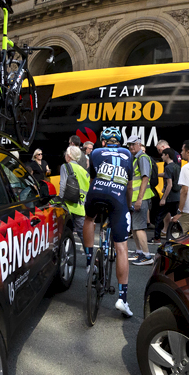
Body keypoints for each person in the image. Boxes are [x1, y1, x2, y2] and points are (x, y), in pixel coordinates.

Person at [82, 127, 133, 317]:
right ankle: (123, 299)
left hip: (96, 194)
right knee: (121, 248)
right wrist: (128, 206)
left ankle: (89, 261)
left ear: (103, 142)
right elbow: (128, 186)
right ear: (119, 142)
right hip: (117, 199)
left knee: (89, 219)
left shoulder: (95, 152)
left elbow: (93, 179)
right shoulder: (128, 153)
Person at [125, 135, 155, 266]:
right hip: (135, 198)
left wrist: (139, 199)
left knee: (139, 228)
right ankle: (139, 252)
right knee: (135, 227)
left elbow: (145, 178)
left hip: (139, 198)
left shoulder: (142, 158)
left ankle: (147, 256)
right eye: (129, 145)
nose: (131, 147)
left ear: (139, 144)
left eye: (133, 144)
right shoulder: (136, 158)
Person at [60, 146, 91, 257]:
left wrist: (59, 201)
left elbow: (63, 186)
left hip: (68, 205)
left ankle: (64, 255)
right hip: (81, 207)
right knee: (82, 234)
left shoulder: (66, 167)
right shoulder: (84, 171)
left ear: (69, 156)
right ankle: (90, 258)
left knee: (64, 232)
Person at [153, 147, 180, 241]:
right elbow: (168, 175)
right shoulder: (177, 166)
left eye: (163, 155)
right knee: (176, 218)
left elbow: (169, 184)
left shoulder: (168, 167)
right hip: (177, 197)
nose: (161, 157)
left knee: (159, 217)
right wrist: (157, 174)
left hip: (169, 198)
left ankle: (157, 238)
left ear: (167, 155)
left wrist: (163, 198)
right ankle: (176, 236)